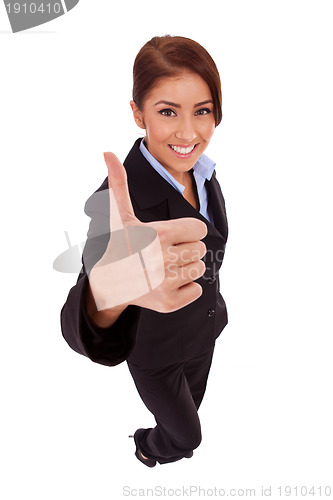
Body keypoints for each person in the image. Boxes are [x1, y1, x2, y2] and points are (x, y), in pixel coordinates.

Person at [61, 35, 229, 467]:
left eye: (203, 111)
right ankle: (145, 446)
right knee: (186, 437)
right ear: (138, 113)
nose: (189, 133)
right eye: (167, 111)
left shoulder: (205, 175)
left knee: (192, 404)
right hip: (154, 351)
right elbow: (88, 300)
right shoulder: (117, 205)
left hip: (204, 332)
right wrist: (105, 296)